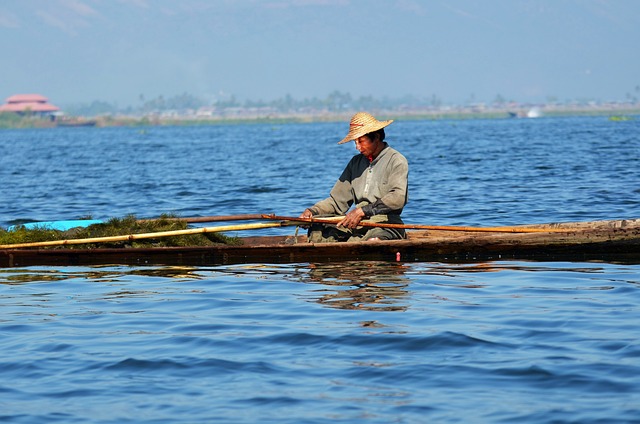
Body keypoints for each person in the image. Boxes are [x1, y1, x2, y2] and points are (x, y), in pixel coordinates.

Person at [300, 112, 408, 242]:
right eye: (355, 142)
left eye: (361, 141)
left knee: (373, 241)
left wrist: (363, 211)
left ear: (376, 137)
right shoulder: (355, 163)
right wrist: (313, 212)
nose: (357, 147)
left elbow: (398, 198)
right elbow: (336, 202)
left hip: (386, 224)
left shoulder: (396, 160)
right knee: (318, 230)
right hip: (357, 224)